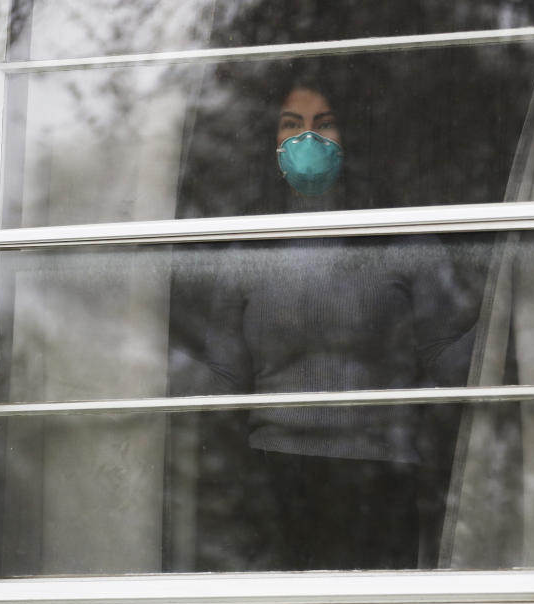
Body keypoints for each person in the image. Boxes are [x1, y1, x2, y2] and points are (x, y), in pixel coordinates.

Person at [201, 79, 476, 571]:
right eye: (292, 125)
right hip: (272, 476)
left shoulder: (404, 242)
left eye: (325, 125)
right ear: (271, 143)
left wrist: (522, 310)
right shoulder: (244, 249)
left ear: (355, 137)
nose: (308, 140)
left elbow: (448, 365)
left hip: (382, 477)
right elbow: (221, 384)